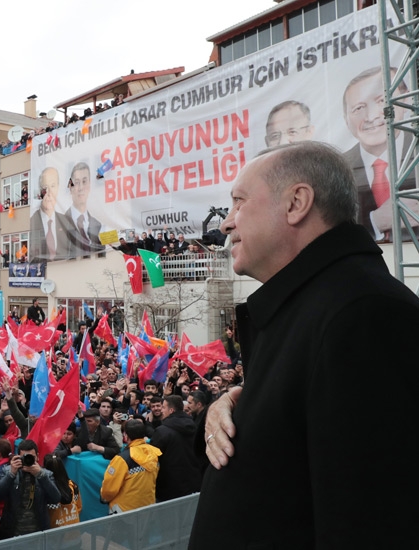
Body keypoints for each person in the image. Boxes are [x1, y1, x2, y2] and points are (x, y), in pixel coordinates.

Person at [191, 141, 419, 548]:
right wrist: (228, 414)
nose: (226, 223)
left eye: (239, 202)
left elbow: (372, 521)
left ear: (297, 203)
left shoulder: (364, 315)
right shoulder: (309, 308)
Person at [340, 66, 419, 240]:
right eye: (359, 108)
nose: (371, 116)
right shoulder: (336, 168)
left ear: (404, 101)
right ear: (346, 120)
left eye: (381, 101)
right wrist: (374, 222)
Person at [0, 439, 61, 538]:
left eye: (31, 457)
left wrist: (40, 475)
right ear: (18, 457)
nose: (28, 460)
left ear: (37, 456)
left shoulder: (46, 474)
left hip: (39, 532)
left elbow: (56, 498)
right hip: (12, 532)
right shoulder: (8, 471)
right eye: (25, 457)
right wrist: (11, 474)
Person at [100, 419, 161, 514]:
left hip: (123, 512)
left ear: (125, 435)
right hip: (148, 507)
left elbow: (109, 489)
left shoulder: (122, 459)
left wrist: (103, 497)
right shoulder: (153, 454)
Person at [150, 396, 201, 502]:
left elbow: (153, 459)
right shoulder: (195, 426)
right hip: (192, 484)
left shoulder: (162, 431)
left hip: (168, 488)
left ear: (171, 410)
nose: (161, 410)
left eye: (163, 407)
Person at [59, 162, 104, 257]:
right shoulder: (61, 223)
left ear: (89, 186)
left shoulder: (98, 225)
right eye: (76, 183)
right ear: (71, 188)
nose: (80, 188)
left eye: (84, 182)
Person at [29, 167, 70, 261]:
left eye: (52, 186)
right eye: (45, 188)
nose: (49, 192)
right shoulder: (32, 222)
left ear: (58, 188)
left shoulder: (67, 222)